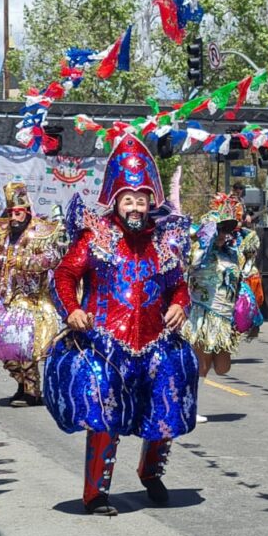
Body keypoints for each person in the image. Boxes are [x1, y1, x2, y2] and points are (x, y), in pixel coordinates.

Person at [44, 135, 198, 516]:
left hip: (155, 344)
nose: (135, 206)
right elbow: (63, 275)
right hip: (104, 344)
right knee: (104, 408)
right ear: (115, 200)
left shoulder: (163, 242)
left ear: (151, 201)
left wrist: (180, 305)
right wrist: (72, 310)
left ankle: (151, 472)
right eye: (128, 199)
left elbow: (179, 286)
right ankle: (96, 493)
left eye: (141, 199)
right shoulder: (95, 237)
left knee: (169, 392)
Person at [0, 182, 65, 407]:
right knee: (4, 347)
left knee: (22, 345)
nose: (13, 218)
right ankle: (22, 384)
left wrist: (20, 261)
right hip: (5, 299)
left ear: (27, 211)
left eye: (17, 213)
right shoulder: (5, 234)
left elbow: (52, 258)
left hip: (31, 299)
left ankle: (31, 391)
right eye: (10, 213)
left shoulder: (41, 233)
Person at [183, 193, 260, 380]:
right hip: (203, 317)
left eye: (226, 230)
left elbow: (240, 282)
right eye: (219, 230)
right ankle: (190, 394)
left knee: (222, 368)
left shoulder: (232, 254)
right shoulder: (199, 252)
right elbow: (192, 264)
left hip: (225, 318)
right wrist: (205, 239)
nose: (223, 235)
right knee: (201, 369)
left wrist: (252, 315)